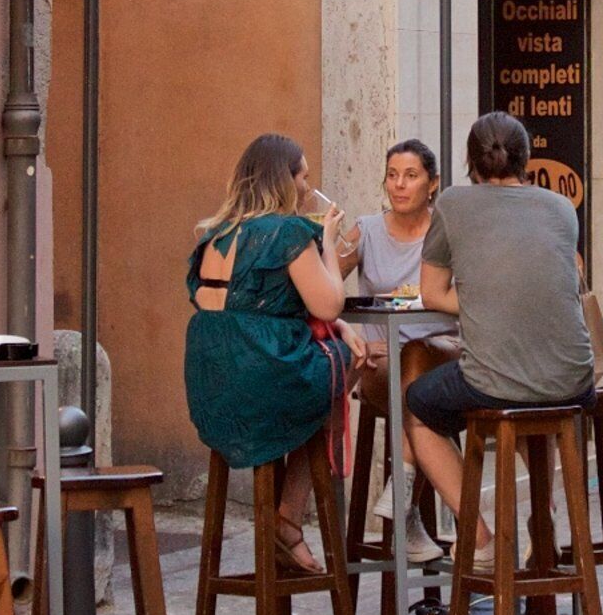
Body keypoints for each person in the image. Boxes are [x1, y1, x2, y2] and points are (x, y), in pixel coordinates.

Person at [407, 112, 597, 534]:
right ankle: (542, 518)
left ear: (470, 162)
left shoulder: (453, 203)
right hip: (575, 380)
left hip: (495, 380)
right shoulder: (561, 207)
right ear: (525, 158)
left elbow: (433, 293)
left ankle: (479, 540)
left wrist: (484, 302)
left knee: (418, 407)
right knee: (534, 397)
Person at [181, 133, 351, 573]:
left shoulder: (213, 236)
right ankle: (288, 518)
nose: (308, 188)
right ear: (284, 180)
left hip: (213, 396)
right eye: (304, 177)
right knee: (348, 364)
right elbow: (328, 304)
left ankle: (284, 521)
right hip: (266, 385)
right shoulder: (288, 231)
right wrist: (328, 242)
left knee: (327, 368)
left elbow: (240, 311)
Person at [335, 139, 443, 303]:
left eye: (411, 175)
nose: (399, 184)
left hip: (442, 329)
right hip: (383, 328)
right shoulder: (366, 231)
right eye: (392, 175)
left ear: (433, 183)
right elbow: (322, 288)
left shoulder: (447, 231)